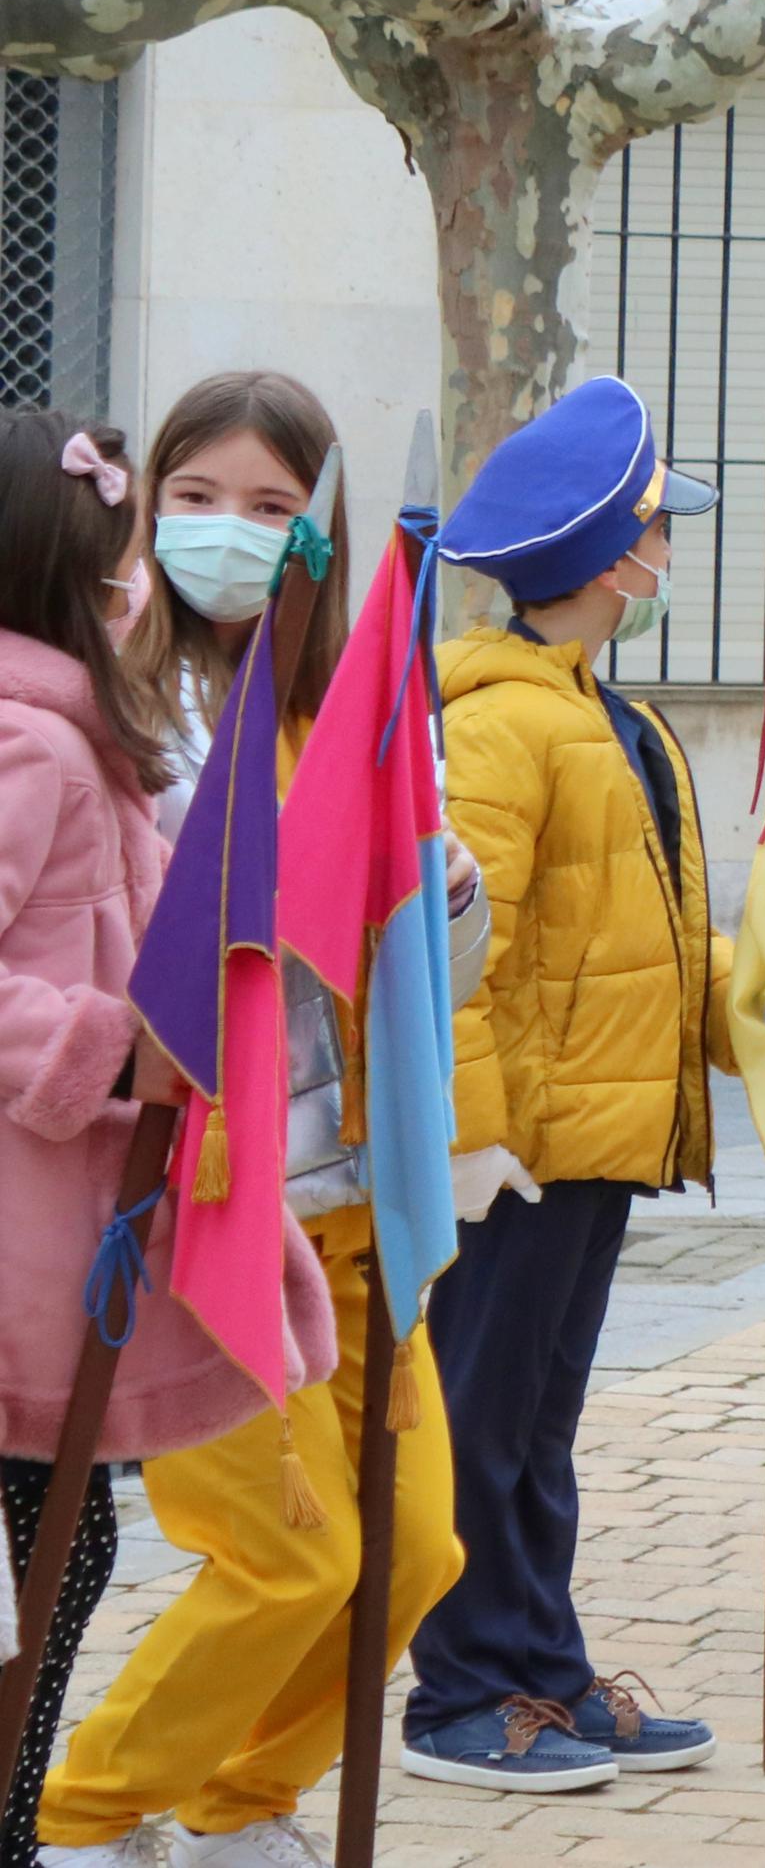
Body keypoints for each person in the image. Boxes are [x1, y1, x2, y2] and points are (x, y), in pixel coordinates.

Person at [39, 376, 474, 1868]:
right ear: (143, 510)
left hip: (357, 1197)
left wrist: (436, 887)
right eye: (199, 497)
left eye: (275, 506)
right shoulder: (108, 713)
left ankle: (239, 1802)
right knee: (291, 1555)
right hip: (206, 1202)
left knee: (416, 1552)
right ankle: (84, 1810)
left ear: (321, 532)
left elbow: (420, 972)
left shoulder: (349, 708)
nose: (232, 531)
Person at [2, 414, 335, 1868]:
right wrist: (104, 1044)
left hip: (67, 1238)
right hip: (26, 1233)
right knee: (43, 1576)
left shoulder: (84, 734)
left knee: (59, 1566)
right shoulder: (33, 743)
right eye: (123, 539)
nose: (141, 571)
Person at [411, 376, 732, 1789]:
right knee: (479, 1422)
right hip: (521, 1145)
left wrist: (751, 997)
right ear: (611, 558)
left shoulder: (618, 715)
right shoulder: (498, 722)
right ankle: (462, 1692)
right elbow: (450, 949)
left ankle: (542, 1663)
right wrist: (473, 1134)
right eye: (659, 529)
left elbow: (640, 928)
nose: (670, 552)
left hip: (598, 1134)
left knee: (536, 1423)